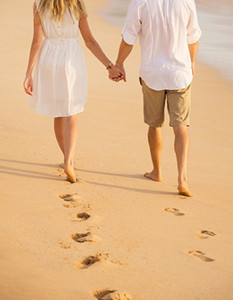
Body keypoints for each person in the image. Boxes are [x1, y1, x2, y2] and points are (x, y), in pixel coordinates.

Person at [23, 0, 123, 183]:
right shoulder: (77, 4)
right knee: (72, 114)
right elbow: (90, 41)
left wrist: (28, 73)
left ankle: (66, 159)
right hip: (71, 61)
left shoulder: (39, 5)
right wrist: (109, 66)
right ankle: (69, 162)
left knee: (58, 114)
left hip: (49, 61)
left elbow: (37, 41)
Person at [114, 0, 202, 197]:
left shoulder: (140, 2)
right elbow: (193, 37)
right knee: (181, 127)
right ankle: (182, 179)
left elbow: (129, 37)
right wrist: (192, 63)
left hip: (152, 73)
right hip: (180, 73)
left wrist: (119, 63)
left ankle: (157, 172)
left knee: (155, 124)